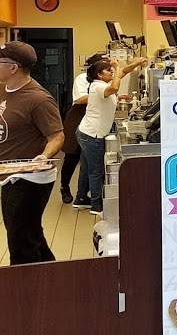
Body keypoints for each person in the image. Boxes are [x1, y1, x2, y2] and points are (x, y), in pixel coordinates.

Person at [0, 41, 64, 264]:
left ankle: (24, 282)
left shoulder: (38, 99)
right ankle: (50, 274)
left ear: (13, 67)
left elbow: (57, 136)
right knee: (29, 232)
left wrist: (43, 157)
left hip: (30, 176)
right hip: (8, 173)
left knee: (20, 238)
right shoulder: (4, 89)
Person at [73, 56, 147, 214]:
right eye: (108, 71)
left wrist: (136, 63)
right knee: (96, 171)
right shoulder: (98, 86)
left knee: (87, 168)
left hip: (86, 131)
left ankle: (81, 199)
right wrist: (117, 66)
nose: (112, 72)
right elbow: (114, 87)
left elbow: (122, 73)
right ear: (99, 75)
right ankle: (96, 205)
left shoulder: (101, 84)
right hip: (92, 135)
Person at [58, 52, 107, 203]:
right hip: (77, 117)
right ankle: (64, 187)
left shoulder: (104, 81)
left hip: (93, 119)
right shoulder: (82, 78)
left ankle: (83, 194)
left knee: (87, 158)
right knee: (72, 155)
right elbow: (80, 99)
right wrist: (102, 94)